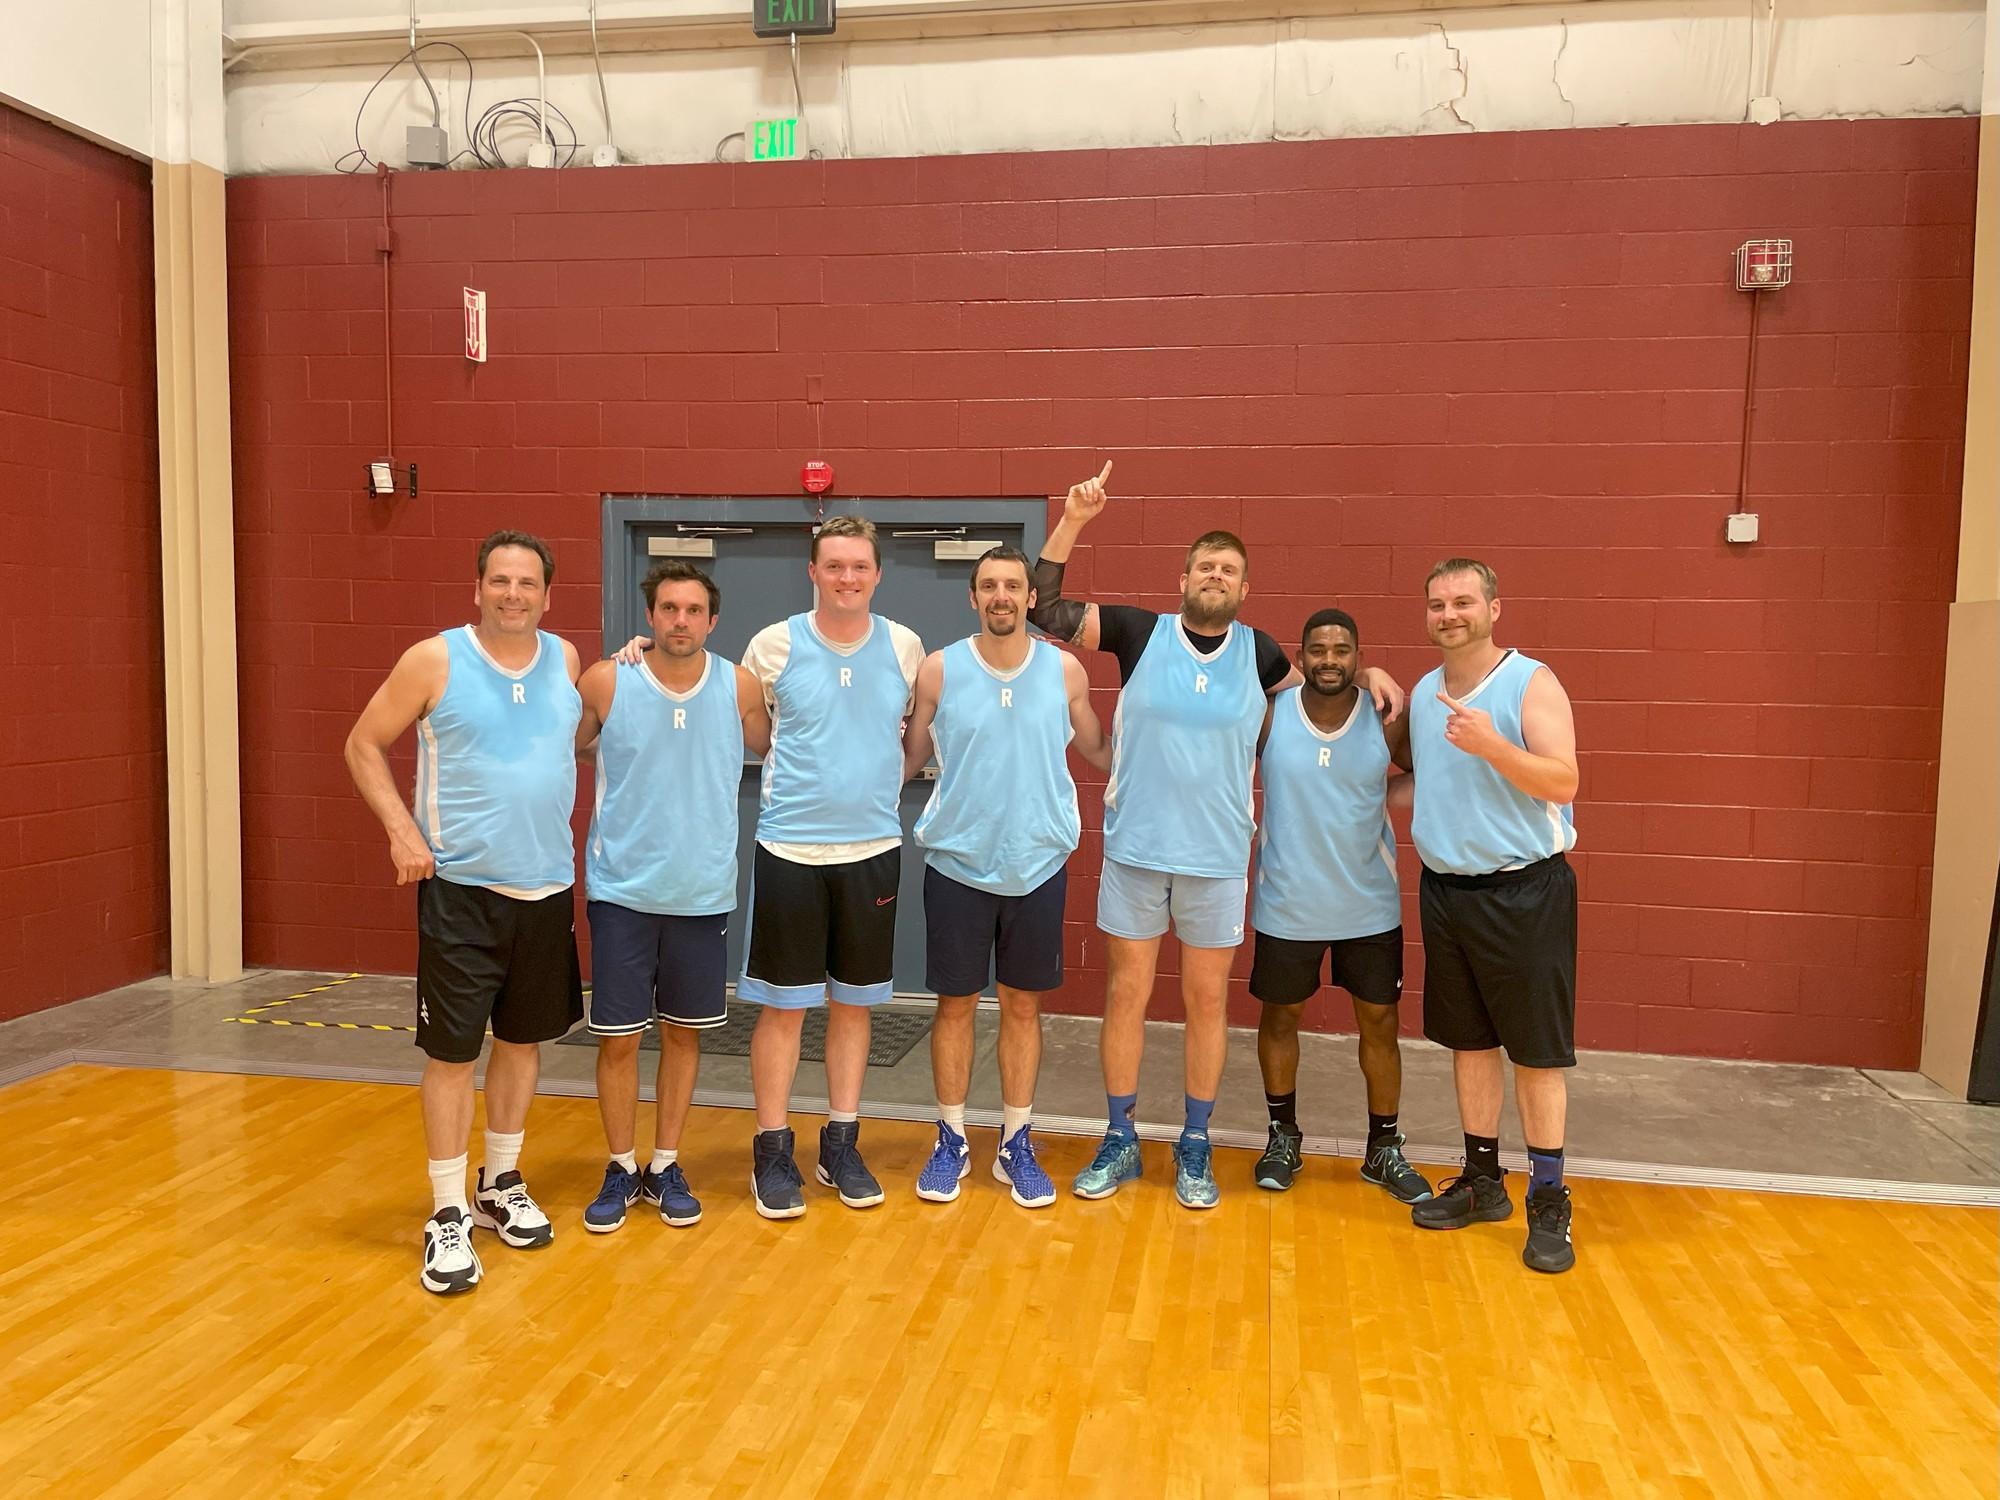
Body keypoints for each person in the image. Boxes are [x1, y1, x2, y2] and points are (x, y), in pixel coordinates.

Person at [1027, 463, 1404, 1209]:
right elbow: (1048, 611)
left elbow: (1326, 690)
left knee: (1207, 1006)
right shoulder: (1141, 632)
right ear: (1184, 576)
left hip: (1218, 861)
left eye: (1229, 570)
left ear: (1244, 589)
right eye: (1205, 565)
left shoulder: (1261, 653)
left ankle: (1194, 1144)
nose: (1215, 576)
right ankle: (1120, 1138)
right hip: (1136, 853)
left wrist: (1377, 672)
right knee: (1126, 997)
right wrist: (1073, 521)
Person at [344, 530, 583, 1296]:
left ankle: (499, 1182)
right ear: (477, 587)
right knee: (451, 1054)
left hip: (546, 888)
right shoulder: (434, 659)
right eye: (500, 581)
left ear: (548, 594)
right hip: (461, 894)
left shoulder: (567, 661)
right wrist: (400, 829)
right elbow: (362, 743)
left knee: (520, 1042)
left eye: (528, 583)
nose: (514, 594)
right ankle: (447, 1212)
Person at [901, 545, 1112, 1209]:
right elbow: (902, 762)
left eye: (1012, 586)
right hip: (958, 864)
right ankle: (952, 1136)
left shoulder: (1064, 670)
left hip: (1037, 864)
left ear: (1028, 599)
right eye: (988, 585)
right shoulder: (939, 670)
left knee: (1023, 1006)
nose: (1000, 596)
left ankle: (1016, 1139)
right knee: (956, 1005)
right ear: (973, 597)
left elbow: (1102, 751)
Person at [575, 560, 770, 1234]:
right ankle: (621, 1165)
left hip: (701, 893)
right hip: (622, 890)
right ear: (649, 616)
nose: (679, 620)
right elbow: (567, 745)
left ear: (712, 621)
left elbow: (778, 745)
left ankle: (665, 1163)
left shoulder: (739, 686)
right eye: (667, 608)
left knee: (684, 1037)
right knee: (621, 1041)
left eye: (692, 610)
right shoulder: (607, 680)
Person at [737, 515, 924, 1219]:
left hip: (872, 852)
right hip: (789, 850)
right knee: (784, 1011)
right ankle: (771, 1149)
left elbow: (913, 739)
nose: (848, 577)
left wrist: (876, 787)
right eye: (834, 566)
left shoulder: (905, 647)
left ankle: (840, 1143)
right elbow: (757, 733)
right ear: (813, 572)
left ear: (877, 574)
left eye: (860, 566)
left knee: (853, 1006)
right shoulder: (773, 645)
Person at [1404, 558, 1581, 1275]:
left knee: (1535, 1053)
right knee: (1469, 1044)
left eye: (1464, 601)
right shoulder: (1422, 694)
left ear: (1494, 608)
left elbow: (1564, 779)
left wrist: (1493, 745)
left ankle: (1548, 1199)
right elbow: (1427, 781)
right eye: (1438, 603)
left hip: (1525, 891)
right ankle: (1483, 1182)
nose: (1451, 614)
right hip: (1447, 892)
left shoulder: (1530, 682)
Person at [1249, 609, 1431, 1203]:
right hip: (1286, 902)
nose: (1331, 659)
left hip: (1368, 906)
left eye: (1343, 650)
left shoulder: (1386, 721)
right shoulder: (1270, 717)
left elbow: (1428, 775)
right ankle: (1283, 1135)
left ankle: (1383, 1147)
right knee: (1281, 1019)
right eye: (1319, 650)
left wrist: (1380, 794)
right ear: (1300, 659)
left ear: (1358, 657)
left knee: (1379, 1025)